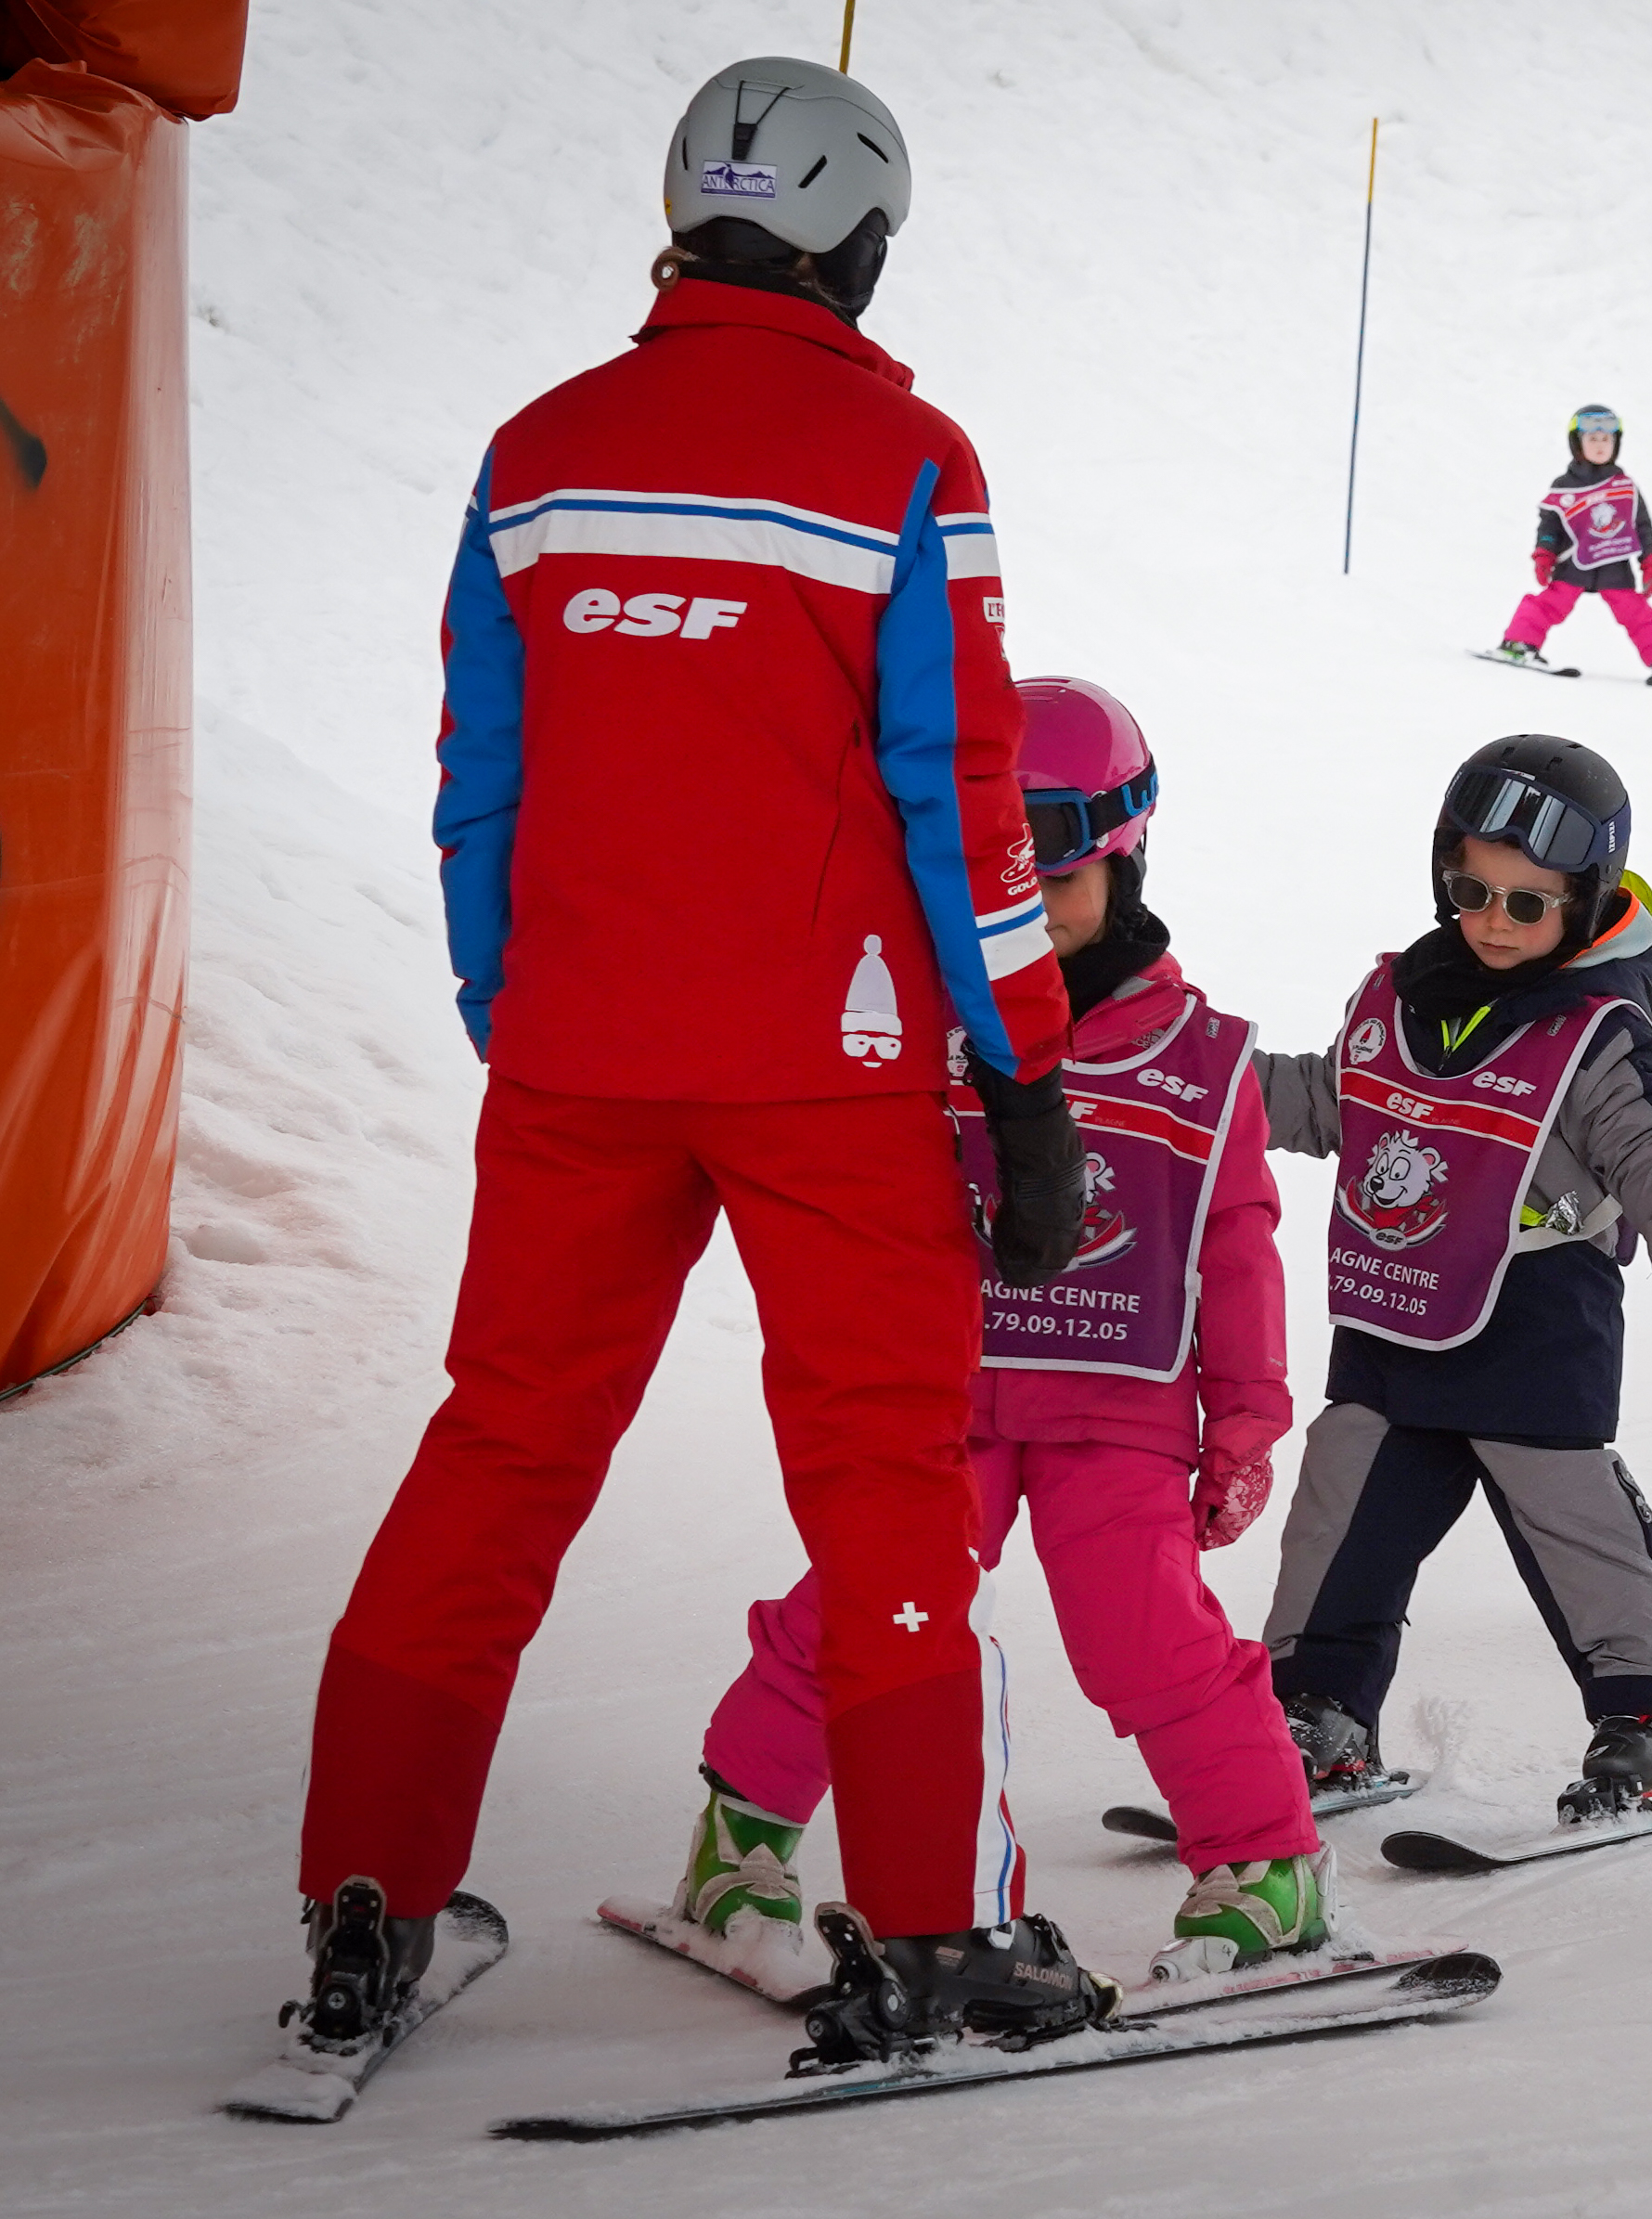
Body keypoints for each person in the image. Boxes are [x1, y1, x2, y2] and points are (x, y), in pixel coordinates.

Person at [282, 55, 1124, 2066]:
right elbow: (960, 792)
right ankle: (931, 1930)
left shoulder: (538, 449)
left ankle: (364, 1904)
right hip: (830, 1071)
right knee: (883, 1482)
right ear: (860, 241)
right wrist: (1023, 1073)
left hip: (578, 1059)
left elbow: (477, 774)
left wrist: (517, 1011)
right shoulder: (907, 459)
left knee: (499, 1448)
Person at [679, 680, 1333, 1991]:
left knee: (1147, 1633)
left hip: (1120, 1413)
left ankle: (1268, 1861)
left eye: (1059, 873)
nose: (1027, 902)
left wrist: (1247, 1420)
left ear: (1124, 858)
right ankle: (738, 1833)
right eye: (996, 873)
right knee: (865, 1601)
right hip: (948, 1401)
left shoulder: (1202, 1060)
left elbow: (1237, 1245)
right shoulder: (919, 1027)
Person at [1255, 738, 1652, 1823]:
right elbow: (1332, 1097)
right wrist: (1199, 1085)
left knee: (1574, 1529)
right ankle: (1316, 1708)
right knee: (1338, 1517)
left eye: (1526, 902)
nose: (1494, 921)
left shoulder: (1592, 1033)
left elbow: (1649, 1143)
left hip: (1532, 1325)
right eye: (1471, 892)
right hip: (1392, 1315)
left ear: (1584, 897)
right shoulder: (1399, 995)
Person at [1488, 405, 1652, 688]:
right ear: (1577, 444)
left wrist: (1649, 560)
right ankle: (1519, 644)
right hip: (1574, 563)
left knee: (1636, 612)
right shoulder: (1564, 486)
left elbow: (1642, 525)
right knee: (1550, 604)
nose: (1600, 446)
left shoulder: (1625, 486)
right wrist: (1544, 553)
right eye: (1592, 439)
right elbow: (1550, 526)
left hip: (1614, 564)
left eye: (1606, 440)